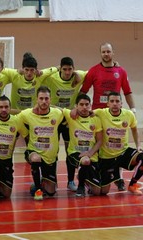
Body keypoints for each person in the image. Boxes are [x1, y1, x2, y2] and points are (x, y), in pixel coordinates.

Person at [79, 42, 136, 191]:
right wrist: (79, 108)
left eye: (108, 51)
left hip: (116, 115)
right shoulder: (93, 71)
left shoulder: (121, 71)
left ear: (113, 53)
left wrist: (133, 109)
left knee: (117, 145)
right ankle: (91, 175)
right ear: (100, 54)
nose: (106, 54)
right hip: (98, 115)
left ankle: (119, 179)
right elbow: (83, 91)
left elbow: (128, 92)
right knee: (98, 144)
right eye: (103, 52)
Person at [43, 57, 87, 192]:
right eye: (64, 69)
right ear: (60, 68)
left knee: (70, 151)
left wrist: (114, 64)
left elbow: (94, 72)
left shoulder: (80, 75)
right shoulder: (52, 78)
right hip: (55, 119)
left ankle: (70, 181)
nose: (67, 72)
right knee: (52, 151)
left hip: (70, 121)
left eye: (70, 69)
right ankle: (52, 180)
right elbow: (40, 74)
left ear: (74, 69)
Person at [18, 86, 63, 200]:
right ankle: (38, 189)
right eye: (41, 98)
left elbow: (72, 113)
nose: (44, 101)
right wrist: (25, 134)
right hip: (34, 151)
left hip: (50, 156)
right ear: (36, 99)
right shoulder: (27, 114)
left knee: (51, 192)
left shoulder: (57, 113)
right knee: (35, 159)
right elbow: (14, 120)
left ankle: (41, 183)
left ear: (50, 100)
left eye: (46, 99)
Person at [95, 92, 143, 195]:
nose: (115, 103)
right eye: (112, 101)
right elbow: (85, 112)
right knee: (102, 192)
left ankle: (132, 185)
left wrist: (138, 145)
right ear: (107, 103)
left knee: (142, 157)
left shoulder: (129, 115)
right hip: (106, 157)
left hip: (123, 153)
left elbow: (134, 129)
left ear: (121, 103)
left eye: (117, 101)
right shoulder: (100, 113)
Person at [64, 94, 103, 197]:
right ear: (76, 105)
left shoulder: (96, 119)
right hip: (75, 153)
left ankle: (84, 178)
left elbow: (100, 141)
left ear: (90, 106)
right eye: (81, 104)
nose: (84, 107)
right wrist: (72, 110)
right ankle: (80, 186)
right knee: (85, 161)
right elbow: (56, 108)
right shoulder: (71, 116)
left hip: (91, 155)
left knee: (97, 192)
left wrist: (90, 153)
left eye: (87, 104)